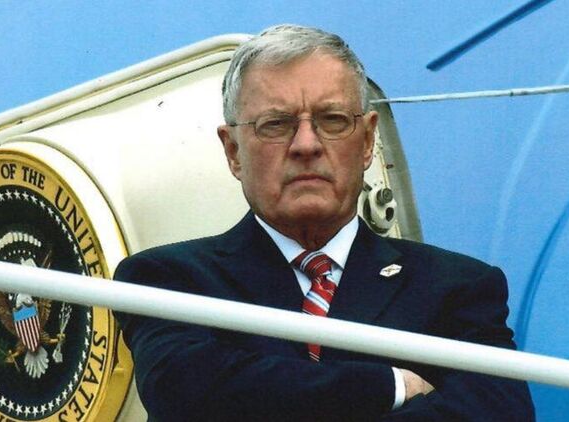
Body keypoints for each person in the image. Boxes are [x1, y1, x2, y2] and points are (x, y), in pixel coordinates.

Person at [114, 24, 535, 421]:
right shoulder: (166, 280)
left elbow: (499, 412)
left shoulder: (457, 287)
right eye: (276, 124)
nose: (306, 145)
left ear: (367, 141)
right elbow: (189, 391)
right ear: (233, 151)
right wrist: (392, 386)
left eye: (332, 120)